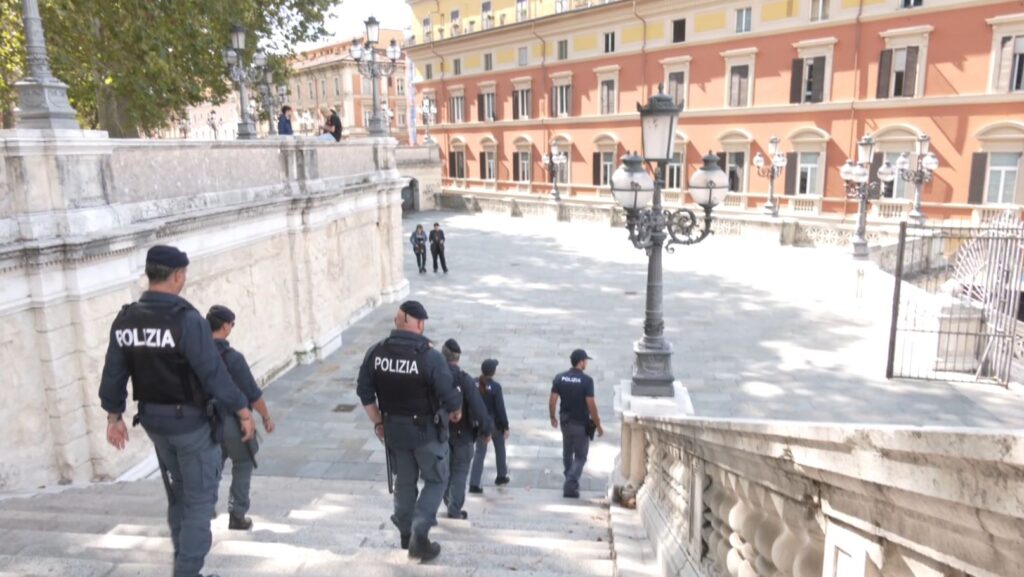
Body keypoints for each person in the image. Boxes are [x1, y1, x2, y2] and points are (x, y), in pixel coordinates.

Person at [98, 245, 256, 577]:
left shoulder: (126, 319)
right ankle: (187, 572)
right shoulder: (187, 321)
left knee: (179, 496)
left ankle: (184, 567)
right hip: (192, 428)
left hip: (155, 423)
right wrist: (243, 411)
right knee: (198, 502)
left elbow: (114, 374)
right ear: (178, 276)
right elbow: (214, 374)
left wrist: (114, 418)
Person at [356, 301, 463, 562]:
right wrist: (456, 410)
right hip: (426, 432)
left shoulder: (376, 352)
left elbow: (364, 392)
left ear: (397, 321)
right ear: (419, 323)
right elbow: (450, 397)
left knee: (404, 482)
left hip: (394, 431)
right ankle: (419, 533)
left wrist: (378, 422)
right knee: (436, 479)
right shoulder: (429, 356)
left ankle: (405, 534)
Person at [206, 305, 275, 531]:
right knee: (243, 463)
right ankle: (237, 514)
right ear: (225, 327)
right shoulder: (233, 358)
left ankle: (204, 509)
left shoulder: (195, 356)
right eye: (232, 324)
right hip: (233, 421)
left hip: (203, 422)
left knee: (211, 465)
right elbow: (253, 394)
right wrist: (266, 416)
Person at [441, 339, 493, 519]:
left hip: (440, 434)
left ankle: (449, 501)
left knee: (444, 471)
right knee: (460, 471)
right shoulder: (465, 379)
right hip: (463, 436)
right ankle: (454, 508)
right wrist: (487, 431)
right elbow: (479, 408)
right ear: (458, 358)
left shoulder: (434, 377)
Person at [549, 349, 604, 499]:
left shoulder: (560, 378)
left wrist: (552, 417)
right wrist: (598, 424)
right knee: (580, 456)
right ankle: (571, 484)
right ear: (580, 362)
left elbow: (553, 399)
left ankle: (569, 477)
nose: (586, 363)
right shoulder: (587, 381)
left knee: (567, 451)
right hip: (580, 423)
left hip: (565, 422)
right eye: (585, 360)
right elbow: (591, 404)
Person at [469, 358, 509, 494]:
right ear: (493, 372)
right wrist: (505, 426)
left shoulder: (473, 383)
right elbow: (500, 408)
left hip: (477, 422)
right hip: (492, 423)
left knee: (480, 452)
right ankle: (501, 476)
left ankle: (474, 483)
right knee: (500, 447)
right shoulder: (496, 387)